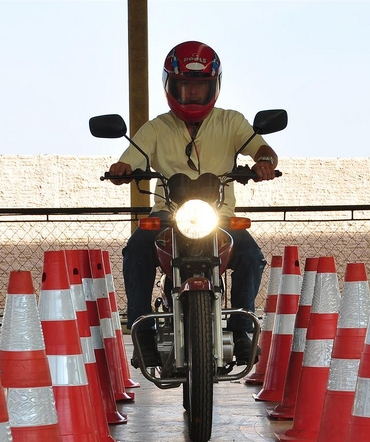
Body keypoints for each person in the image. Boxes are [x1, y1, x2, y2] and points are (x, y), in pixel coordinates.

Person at [108, 40, 279, 369]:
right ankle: (142, 331)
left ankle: (242, 331)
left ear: (213, 86)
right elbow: (129, 159)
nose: (193, 94)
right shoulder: (156, 127)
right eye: (185, 86)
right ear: (171, 86)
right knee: (136, 249)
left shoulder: (232, 122)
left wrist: (264, 162)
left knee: (251, 255)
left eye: (199, 87)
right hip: (168, 215)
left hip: (219, 216)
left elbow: (262, 149)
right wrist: (122, 170)